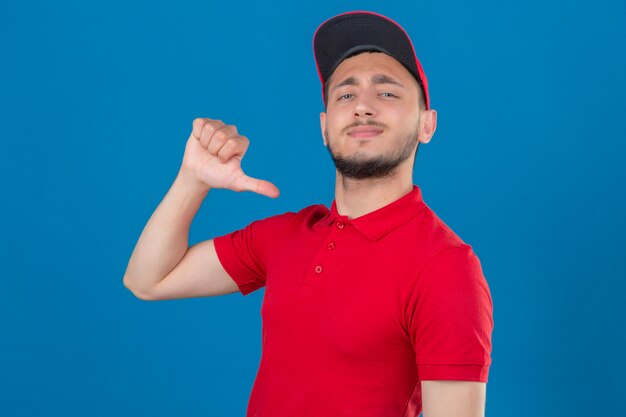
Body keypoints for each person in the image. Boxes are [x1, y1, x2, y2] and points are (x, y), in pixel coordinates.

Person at [123, 11, 494, 417]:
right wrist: (192, 179)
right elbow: (148, 279)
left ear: (427, 124)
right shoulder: (285, 235)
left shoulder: (447, 267)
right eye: (345, 95)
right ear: (324, 126)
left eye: (387, 93)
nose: (363, 107)